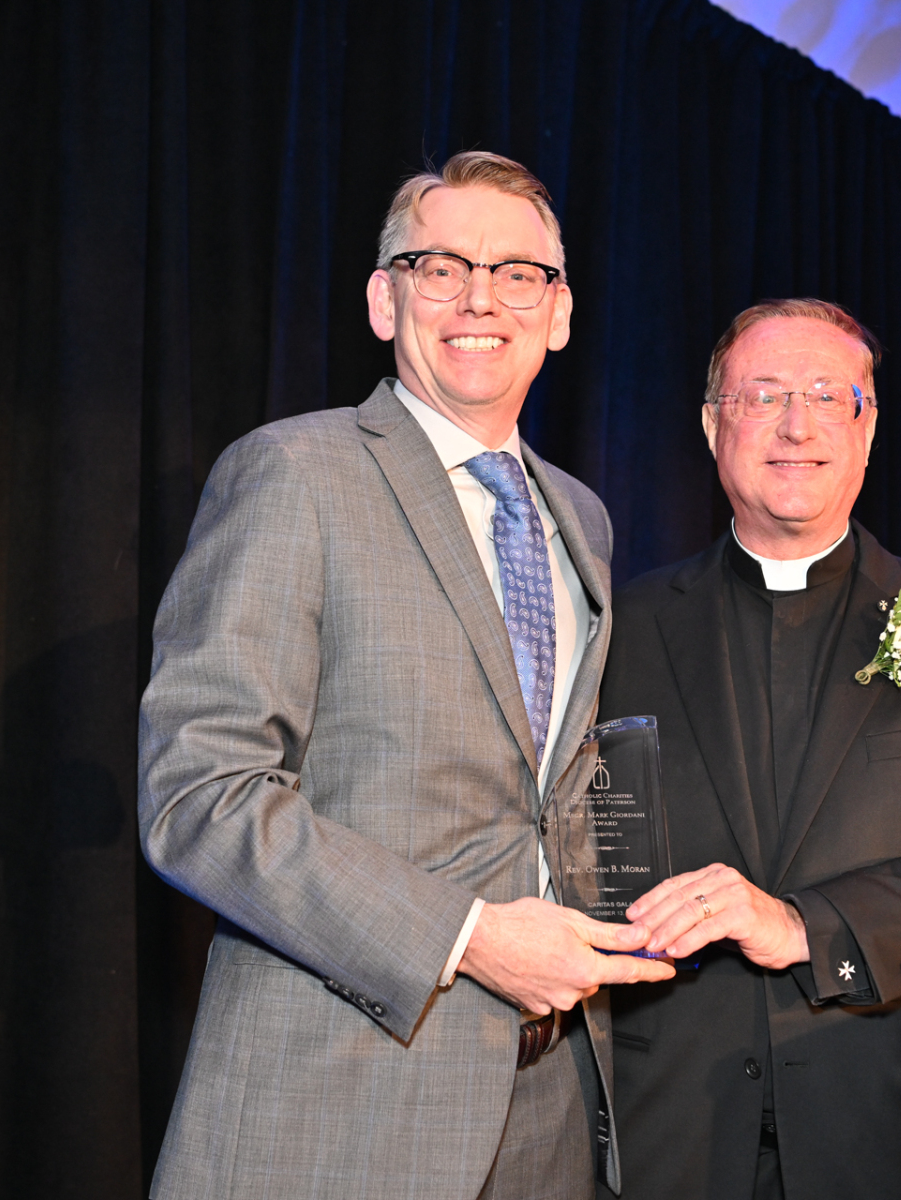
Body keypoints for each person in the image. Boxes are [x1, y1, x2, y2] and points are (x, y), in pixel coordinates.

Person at [138, 151, 674, 1200]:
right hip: (343, 1104)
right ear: (386, 300)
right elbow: (200, 796)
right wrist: (471, 938)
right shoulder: (295, 473)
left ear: (560, 314)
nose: (481, 299)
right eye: (441, 268)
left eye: (518, 273)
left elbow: (546, 798)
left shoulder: (581, 517)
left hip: (555, 1106)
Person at [599, 299, 901, 1199]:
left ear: (868, 427)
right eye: (763, 395)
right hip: (664, 1135)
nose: (797, 425)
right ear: (711, 425)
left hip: (890, 1136)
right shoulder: (614, 629)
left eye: (828, 395)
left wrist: (805, 927)